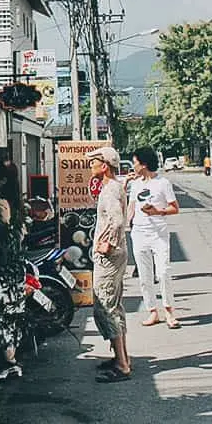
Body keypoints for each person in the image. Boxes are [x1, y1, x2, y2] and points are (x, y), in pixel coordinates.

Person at [88, 145, 131, 383]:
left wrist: (108, 244)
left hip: (109, 256)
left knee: (106, 307)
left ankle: (122, 365)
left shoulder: (111, 190)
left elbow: (116, 219)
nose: (90, 166)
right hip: (113, 254)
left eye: (94, 162)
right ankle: (120, 357)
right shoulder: (112, 187)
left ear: (104, 166)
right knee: (113, 304)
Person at [127, 148, 181, 329]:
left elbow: (175, 208)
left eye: (135, 162)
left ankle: (169, 311)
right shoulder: (135, 185)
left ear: (144, 164)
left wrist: (158, 212)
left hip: (159, 234)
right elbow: (131, 208)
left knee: (164, 272)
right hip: (139, 233)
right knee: (144, 275)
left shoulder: (162, 183)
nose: (133, 165)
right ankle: (152, 311)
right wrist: (125, 226)